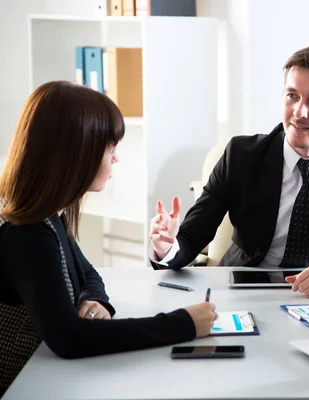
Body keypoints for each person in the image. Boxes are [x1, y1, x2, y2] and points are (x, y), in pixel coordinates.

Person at [0, 81, 217, 395]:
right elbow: (70, 339)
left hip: (50, 374)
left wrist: (95, 300)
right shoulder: (27, 233)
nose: (115, 159)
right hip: (25, 384)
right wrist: (183, 324)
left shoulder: (48, 213)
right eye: (110, 148)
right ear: (78, 152)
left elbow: (87, 272)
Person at [149, 45, 309, 298]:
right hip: (242, 288)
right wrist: (167, 246)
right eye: (292, 96)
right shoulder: (241, 155)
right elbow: (191, 236)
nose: (299, 112)